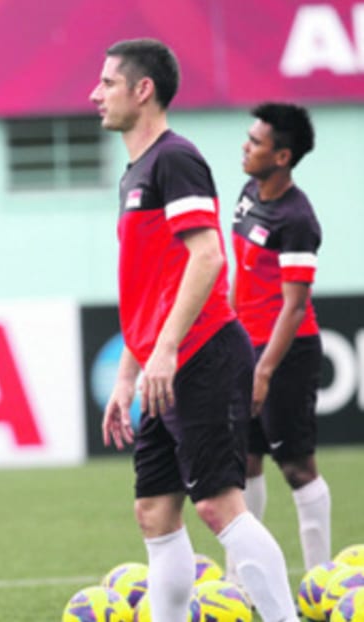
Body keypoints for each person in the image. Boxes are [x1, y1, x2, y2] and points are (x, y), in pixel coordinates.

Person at [91, 39, 299, 621]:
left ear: (143, 90)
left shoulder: (173, 159)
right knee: (155, 513)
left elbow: (207, 258)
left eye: (107, 83)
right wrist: (129, 374)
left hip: (201, 354)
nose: (95, 94)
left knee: (217, 505)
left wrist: (165, 349)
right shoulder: (136, 171)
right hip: (164, 362)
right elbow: (151, 285)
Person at [228, 103, 330, 576]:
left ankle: (320, 580)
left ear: (283, 156)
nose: (245, 148)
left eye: (256, 142)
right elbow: (241, 274)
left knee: (296, 466)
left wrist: (264, 371)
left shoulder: (298, 220)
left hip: (286, 354)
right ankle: (241, 580)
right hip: (242, 344)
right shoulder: (249, 192)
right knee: (243, 462)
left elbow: (293, 305)